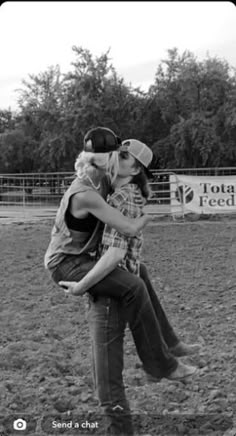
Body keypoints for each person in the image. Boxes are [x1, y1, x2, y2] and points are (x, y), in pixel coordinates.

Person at [44, 128, 199, 436]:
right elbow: (125, 228)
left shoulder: (102, 179)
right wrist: (143, 221)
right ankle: (161, 364)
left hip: (80, 257)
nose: (118, 156)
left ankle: (169, 345)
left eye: (122, 153)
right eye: (117, 153)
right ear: (106, 159)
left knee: (139, 273)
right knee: (134, 285)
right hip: (67, 264)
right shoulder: (89, 191)